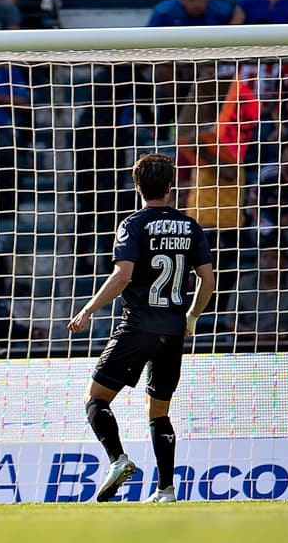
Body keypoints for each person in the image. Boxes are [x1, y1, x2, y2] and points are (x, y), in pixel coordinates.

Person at [67, 152, 215, 504]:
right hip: (174, 330)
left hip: (137, 327)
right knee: (159, 410)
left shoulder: (133, 224)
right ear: (170, 186)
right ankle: (166, 490)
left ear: (137, 187)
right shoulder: (190, 225)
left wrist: (88, 309)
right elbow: (207, 279)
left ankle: (118, 459)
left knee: (95, 399)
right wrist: (192, 316)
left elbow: (123, 275)